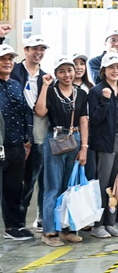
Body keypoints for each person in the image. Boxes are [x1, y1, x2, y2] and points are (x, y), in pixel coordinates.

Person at [35, 56, 89, 247]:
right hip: (55, 140)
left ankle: (67, 229)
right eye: (62, 71)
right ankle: (50, 232)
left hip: (75, 139)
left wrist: (84, 148)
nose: (67, 75)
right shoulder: (51, 91)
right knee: (52, 187)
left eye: (70, 70)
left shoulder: (81, 93)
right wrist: (44, 86)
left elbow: (83, 120)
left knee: (69, 188)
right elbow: (40, 111)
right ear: (56, 74)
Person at [87, 52, 118, 239]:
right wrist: (105, 100)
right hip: (104, 144)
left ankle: (110, 223)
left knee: (115, 185)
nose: (115, 71)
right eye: (111, 67)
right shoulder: (96, 91)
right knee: (102, 185)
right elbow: (95, 119)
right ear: (103, 70)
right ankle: (97, 225)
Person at [12, 35, 49, 233]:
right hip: (15, 131)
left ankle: (29, 218)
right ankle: (15, 221)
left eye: (42, 49)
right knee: (16, 178)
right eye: (35, 48)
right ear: (26, 50)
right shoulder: (14, 71)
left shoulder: (45, 77)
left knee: (34, 177)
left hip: (39, 132)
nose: (38, 52)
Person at [0, 44, 34, 241]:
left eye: (10, 59)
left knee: (14, 188)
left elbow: (26, 113)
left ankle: (13, 226)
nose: (7, 62)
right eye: (3, 59)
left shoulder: (15, 84)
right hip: (1, 145)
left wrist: (27, 140)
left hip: (16, 146)